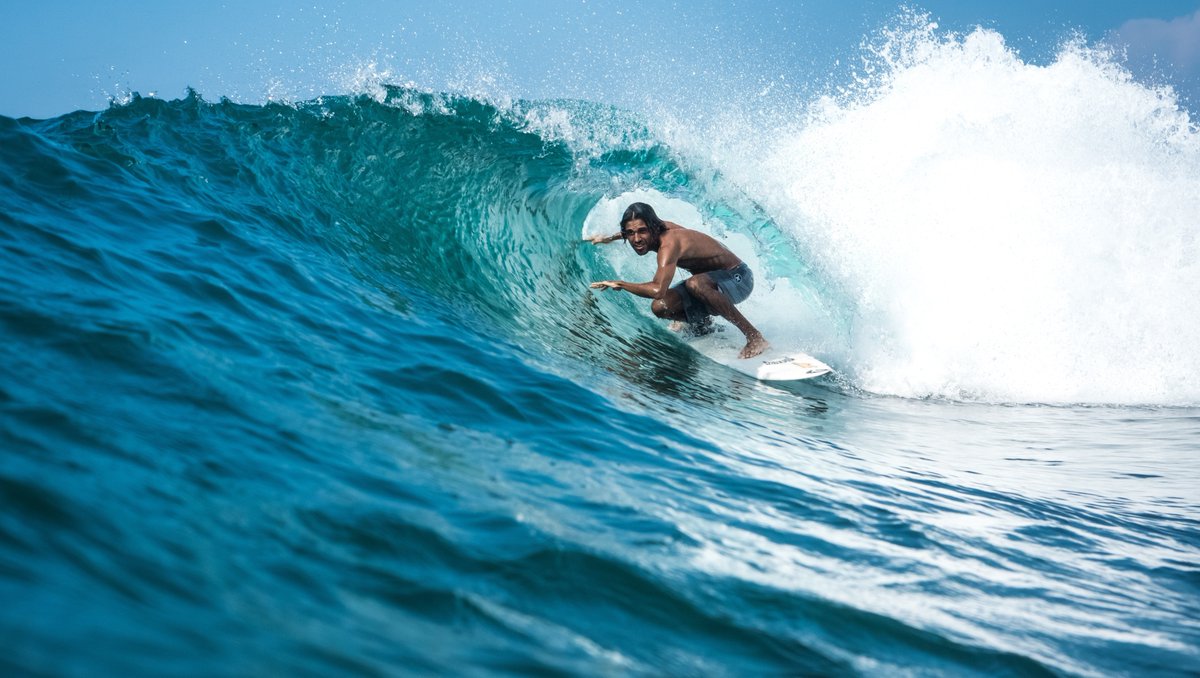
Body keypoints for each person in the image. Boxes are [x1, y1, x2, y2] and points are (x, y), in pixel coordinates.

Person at [588, 202, 769, 359]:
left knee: (695, 284)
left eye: (642, 231)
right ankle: (703, 325)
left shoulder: (669, 244)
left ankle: (754, 337)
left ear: (653, 227)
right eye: (630, 233)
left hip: (738, 279)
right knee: (660, 306)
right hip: (711, 284)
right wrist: (607, 238)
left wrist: (621, 284)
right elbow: (633, 231)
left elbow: (658, 289)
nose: (636, 239)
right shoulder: (654, 228)